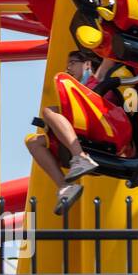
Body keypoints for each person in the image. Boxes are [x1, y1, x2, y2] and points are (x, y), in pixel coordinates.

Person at [24, 50, 115, 216]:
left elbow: (110, 55)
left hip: (104, 128)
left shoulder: (97, 79)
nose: (68, 67)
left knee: (49, 111)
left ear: (87, 64)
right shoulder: (75, 94)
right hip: (82, 133)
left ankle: (80, 157)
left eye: (72, 62)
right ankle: (65, 187)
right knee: (33, 142)